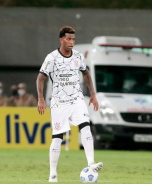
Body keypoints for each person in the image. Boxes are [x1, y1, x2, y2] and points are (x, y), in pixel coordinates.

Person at [36, 26, 103, 182]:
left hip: (77, 100)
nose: (71, 42)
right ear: (61, 40)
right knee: (58, 137)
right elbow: (40, 77)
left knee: (85, 127)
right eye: (68, 39)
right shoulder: (52, 58)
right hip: (59, 103)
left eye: (73, 39)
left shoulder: (78, 56)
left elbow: (85, 73)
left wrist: (93, 94)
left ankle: (91, 163)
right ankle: (53, 174)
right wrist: (40, 98)